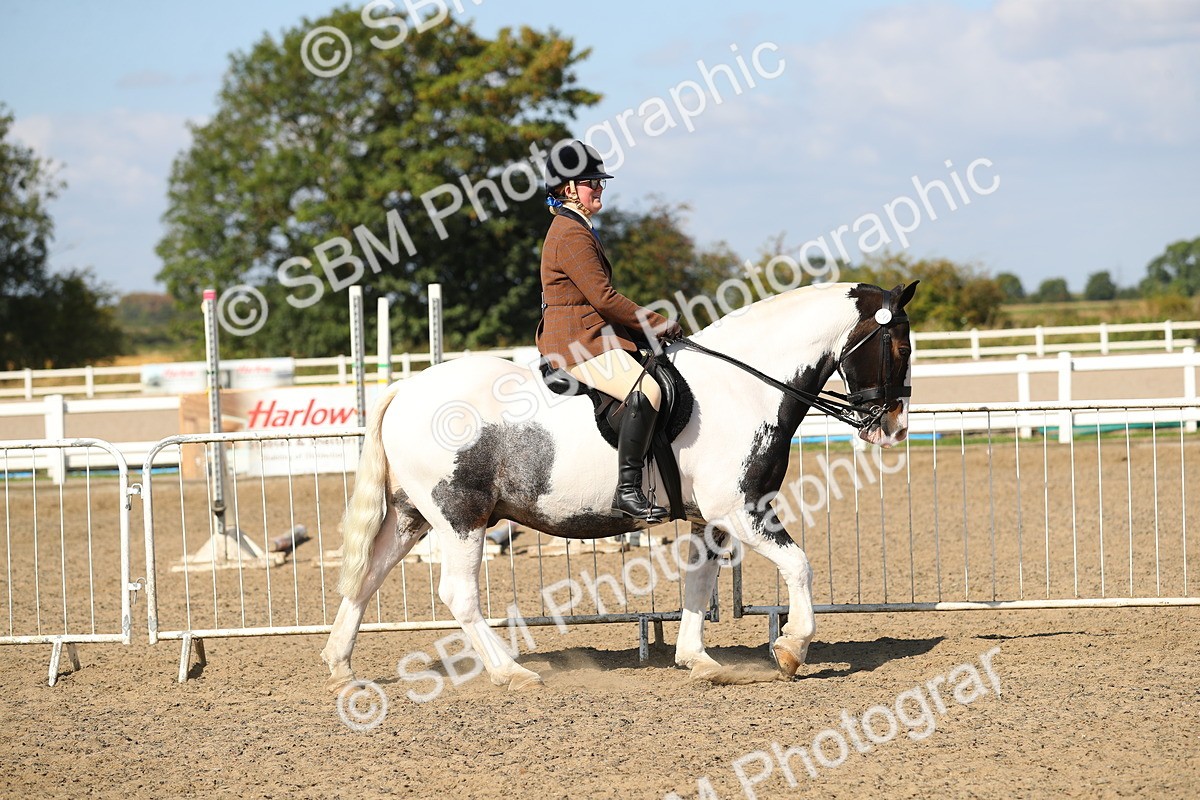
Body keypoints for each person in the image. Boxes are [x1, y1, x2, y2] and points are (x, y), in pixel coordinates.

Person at [535, 140, 684, 523]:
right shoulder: (570, 234)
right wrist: (659, 323)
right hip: (575, 343)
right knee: (646, 389)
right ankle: (628, 490)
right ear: (568, 188)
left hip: (591, 335)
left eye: (600, 182)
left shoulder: (578, 227)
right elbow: (603, 298)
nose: (599, 188)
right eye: (590, 182)